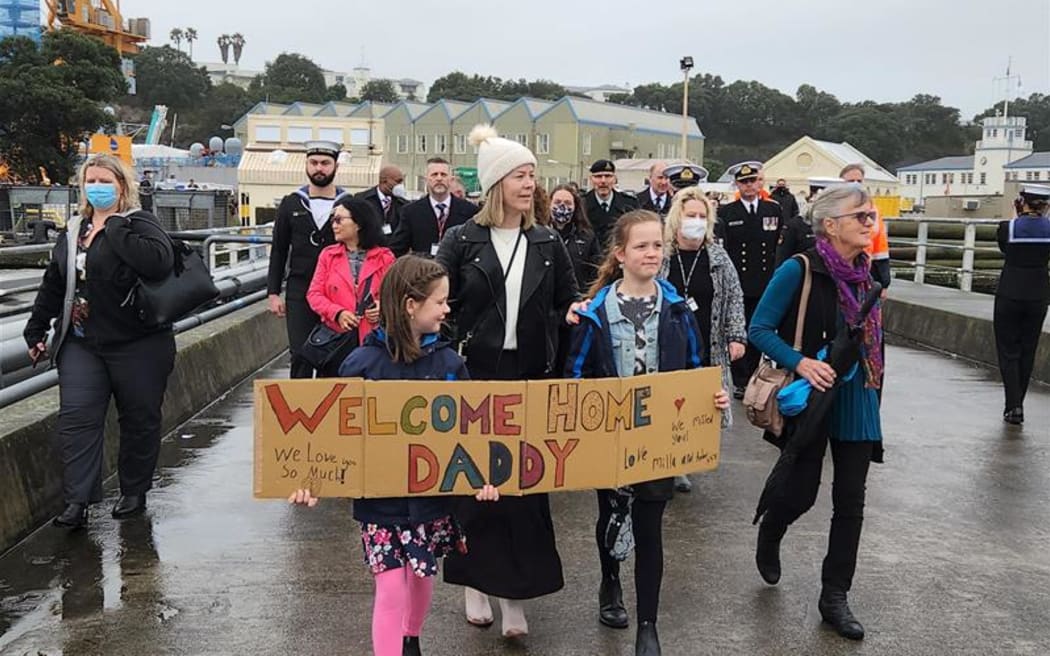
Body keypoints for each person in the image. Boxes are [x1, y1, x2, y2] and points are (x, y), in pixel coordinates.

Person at [291, 255, 501, 656]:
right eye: (439, 301)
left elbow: (473, 432)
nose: (446, 309)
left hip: (430, 499)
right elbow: (333, 434)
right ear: (410, 304)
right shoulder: (361, 365)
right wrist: (309, 479)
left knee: (422, 579)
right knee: (389, 584)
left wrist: (482, 478)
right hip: (380, 504)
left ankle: (410, 638)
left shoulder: (451, 364)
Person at [565, 210, 730, 656]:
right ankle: (609, 581)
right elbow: (575, 375)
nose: (652, 253)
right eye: (641, 246)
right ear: (620, 254)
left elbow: (697, 369)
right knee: (612, 515)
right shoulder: (596, 313)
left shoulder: (677, 309)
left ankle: (648, 624)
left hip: (661, 437)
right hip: (611, 437)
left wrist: (711, 400)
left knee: (651, 525)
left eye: (658, 245)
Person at [438, 124, 579, 638]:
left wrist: (574, 312)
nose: (530, 184)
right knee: (476, 482)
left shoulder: (546, 240)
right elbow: (440, 303)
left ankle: (515, 596)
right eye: (520, 175)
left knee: (524, 486)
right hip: (475, 375)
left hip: (530, 375)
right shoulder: (460, 239)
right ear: (497, 183)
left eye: (533, 176)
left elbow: (568, 296)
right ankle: (476, 582)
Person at [749, 184, 884, 641]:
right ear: (831, 224)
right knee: (801, 491)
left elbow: (873, 342)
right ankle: (773, 528)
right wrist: (800, 361)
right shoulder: (800, 269)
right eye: (860, 216)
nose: (870, 222)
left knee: (851, 500)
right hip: (811, 393)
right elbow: (759, 329)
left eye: (872, 215)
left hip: (858, 394)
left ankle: (835, 597)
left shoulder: (869, 274)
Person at [24, 153, 176, 527]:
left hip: (138, 342)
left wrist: (116, 228)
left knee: (139, 419)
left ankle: (133, 491)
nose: (97, 187)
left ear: (122, 186)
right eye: (90, 180)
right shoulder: (74, 229)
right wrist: (37, 327)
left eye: (105, 181)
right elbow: (55, 282)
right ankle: (78, 502)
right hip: (81, 342)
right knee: (77, 419)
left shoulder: (140, 224)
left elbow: (159, 263)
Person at [661, 188, 746, 493]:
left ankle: (682, 462)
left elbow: (734, 298)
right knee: (667, 402)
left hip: (707, 342)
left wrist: (737, 336)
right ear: (677, 218)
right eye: (690, 215)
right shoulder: (663, 253)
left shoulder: (718, 257)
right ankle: (664, 461)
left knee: (698, 404)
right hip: (668, 342)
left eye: (701, 216)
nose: (695, 222)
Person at [266, 140, 349, 379]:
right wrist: (273, 292)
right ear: (306, 165)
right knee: (301, 354)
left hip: (336, 291)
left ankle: (329, 409)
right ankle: (300, 409)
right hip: (300, 289)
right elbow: (279, 249)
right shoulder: (291, 203)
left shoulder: (348, 204)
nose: (319, 168)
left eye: (325, 163)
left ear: (335, 167)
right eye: (313, 163)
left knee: (334, 354)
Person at [305, 197, 395, 376]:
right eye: (333, 220)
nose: (334, 225)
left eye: (339, 220)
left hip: (373, 341)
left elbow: (395, 295)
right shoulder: (328, 256)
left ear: (358, 224)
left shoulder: (386, 258)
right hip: (337, 340)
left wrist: (382, 307)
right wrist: (337, 313)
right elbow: (314, 294)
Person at [716, 162, 783, 398]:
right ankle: (742, 379)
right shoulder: (727, 212)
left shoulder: (773, 210)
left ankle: (757, 372)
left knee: (760, 328)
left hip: (765, 281)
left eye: (753, 181)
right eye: (744, 182)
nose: (749, 186)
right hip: (739, 281)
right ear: (737, 184)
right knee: (738, 330)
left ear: (760, 182)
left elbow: (778, 247)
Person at [994, 184, 1050, 425]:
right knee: (1028, 349)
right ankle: (1018, 404)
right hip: (1038, 293)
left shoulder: (1009, 227)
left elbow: (1005, 249)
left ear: (1022, 202)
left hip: (1009, 292)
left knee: (1008, 351)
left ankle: (1013, 404)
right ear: (1046, 205)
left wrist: (1015, 216)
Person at [549, 183, 602, 370]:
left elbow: (596, 272)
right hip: (545, 311)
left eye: (567, 203)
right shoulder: (539, 234)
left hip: (575, 309)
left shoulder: (586, 237)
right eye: (557, 202)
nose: (562, 207)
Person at [390, 158, 476, 258]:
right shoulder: (411, 212)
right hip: (423, 270)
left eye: (443, 174)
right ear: (426, 179)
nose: (439, 178)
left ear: (451, 179)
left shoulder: (470, 211)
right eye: (434, 174)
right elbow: (397, 249)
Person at [840, 164, 891, 293]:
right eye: (851, 181)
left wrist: (884, 283)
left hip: (866, 272)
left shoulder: (873, 210)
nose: (856, 184)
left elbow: (881, 247)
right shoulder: (834, 209)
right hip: (839, 269)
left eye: (859, 181)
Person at [583, 159, 639, 249]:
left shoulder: (629, 204)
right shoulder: (582, 204)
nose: (603, 181)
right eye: (598, 176)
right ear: (591, 179)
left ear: (614, 179)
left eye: (608, 176)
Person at [356, 164, 407, 235]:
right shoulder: (362, 200)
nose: (400, 185)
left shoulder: (403, 204)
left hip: (393, 244)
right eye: (398, 181)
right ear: (384, 180)